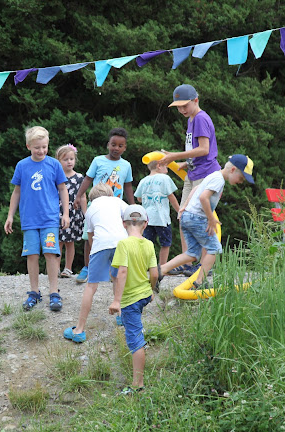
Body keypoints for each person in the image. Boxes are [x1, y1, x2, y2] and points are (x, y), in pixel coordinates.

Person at [159, 155, 255, 290]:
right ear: (233, 170)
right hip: (197, 218)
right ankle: (199, 282)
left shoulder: (213, 175)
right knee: (214, 249)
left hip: (188, 216)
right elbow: (204, 197)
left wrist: (184, 207)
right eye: (241, 178)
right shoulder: (219, 180)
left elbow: (195, 190)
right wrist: (211, 219)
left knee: (192, 254)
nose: (241, 182)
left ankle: (161, 270)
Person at [4, 126, 70, 312]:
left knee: (51, 253)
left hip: (49, 218)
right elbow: (16, 192)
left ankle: (54, 292)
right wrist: (10, 215)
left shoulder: (54, 165)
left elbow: (63, 189)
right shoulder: (22, 166)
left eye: (44, 147)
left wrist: (65, 214)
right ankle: (34, 292)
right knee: (31, 254)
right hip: (29, 220)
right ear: (28, 146)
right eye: (37, 148)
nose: (41, 151)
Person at [159, 84, 221, 276]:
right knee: (183, 217)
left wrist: (175, 156)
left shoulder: (201, 118)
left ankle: (204, 265)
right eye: (178, 106)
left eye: (185, 105)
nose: (181, 110)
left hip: (205, 175)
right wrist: (186, 162)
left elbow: (204, 149)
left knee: (199, 219)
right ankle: (188, 260)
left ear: (196, 100)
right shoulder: (192, 119)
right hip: (193, 173)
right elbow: (198, 151)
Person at [64, 183, 128, 343]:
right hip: (122, 242)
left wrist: (99, 255)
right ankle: (122, 316)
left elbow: (91, 236)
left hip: (101, 244)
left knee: (91, 286)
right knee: (118, 277)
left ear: (92, 198)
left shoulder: (91, 209)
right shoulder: (117, 201)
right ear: (110, 193)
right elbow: (133, 214)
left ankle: (79, 330)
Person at [72, 127, 135, 284]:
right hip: (97, 207)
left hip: (116, 208)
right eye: (114, 144)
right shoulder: (98, 160)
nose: (116, 148)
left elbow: (127, 186)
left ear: (125, 148)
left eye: (120, 146)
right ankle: (87, 267)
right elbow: (87, 179)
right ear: (108, 144)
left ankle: (115, 270)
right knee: (89, 237)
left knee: (118, 238)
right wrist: (79, 196)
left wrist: (133, 206)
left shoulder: (126, 165)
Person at [108, 204, 158, 395]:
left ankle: (138, 384)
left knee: (136, 340)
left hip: (130, 300)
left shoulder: (123, 244)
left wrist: (117, 301)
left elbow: (121, 272)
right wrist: (151, 290)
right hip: (144, 295)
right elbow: (154, 273)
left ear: (123, 223)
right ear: (145, 224)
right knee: (135, 328)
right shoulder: (149, 244)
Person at [134, 159, 180, 266]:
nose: (167, 169)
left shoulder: (143, 180)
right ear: (159, 166)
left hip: (147, 219)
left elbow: (139, 199)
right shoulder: (164, 178)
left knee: (148, 243)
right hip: (161, 218)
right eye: (166, 167)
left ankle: (146, 266)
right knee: (165, 243)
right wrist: (179, 211)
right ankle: (162, 267)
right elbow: (171, 197)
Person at [55, 144, 87, 278]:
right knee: (57, 241)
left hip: (74, 214)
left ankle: (68, 268)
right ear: (58, 161)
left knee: (70, 242)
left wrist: (86, 214)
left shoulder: (79, 177)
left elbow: (83, 196)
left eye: (71, 159)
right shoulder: (55, 176)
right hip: (58, 212)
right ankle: (55, 268)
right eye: (65, 159)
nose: (69, 162)